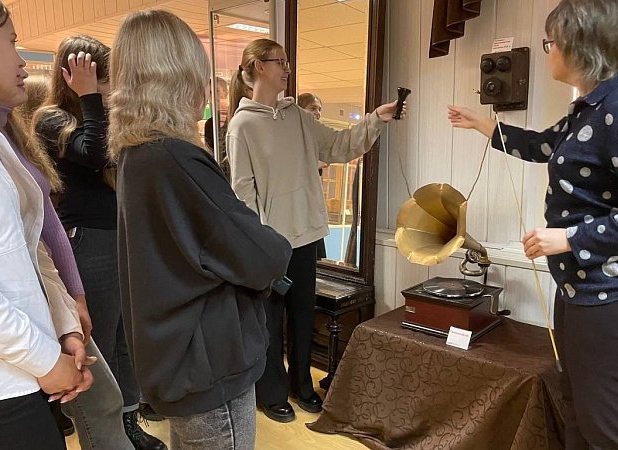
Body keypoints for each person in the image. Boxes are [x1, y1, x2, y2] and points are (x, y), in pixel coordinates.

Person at [448, 0, 618, 448]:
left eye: (552, 43)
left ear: (581, 45)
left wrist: (569, 237)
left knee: (608, 437)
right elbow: (545, 146)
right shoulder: (596, 105)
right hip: (589, 288)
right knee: (578, 418)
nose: (549, 52)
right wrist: (484, 125)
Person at [108, 10, 292, 450]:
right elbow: (265, 255)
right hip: (208, 363)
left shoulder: (136, 155)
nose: (204, 87)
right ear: (178, 75)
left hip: (177, 359)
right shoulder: (175, 157)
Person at [227, 38, 406, 423]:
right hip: (270, 244)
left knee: (303, 315)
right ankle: (271, 392)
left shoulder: (298, 117)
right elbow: (243, 191)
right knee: (270, 321)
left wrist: (377, 118)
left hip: (306, 236)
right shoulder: (242, 125)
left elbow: (341, 145)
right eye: (280, 62)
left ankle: (301, 385)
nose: (287, 69)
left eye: (286, 62)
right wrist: (261, 241)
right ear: (258, 67)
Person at [33, 35, 166, 450]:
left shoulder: (103, 115)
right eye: (102, 77)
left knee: (126, 341)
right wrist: (90, 96)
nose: (110, 86)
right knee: (99, 346)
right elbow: (96, 154)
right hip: (88, 242)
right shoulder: (51, 119)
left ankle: (127, 425)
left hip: (120, 238)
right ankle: (102, 437)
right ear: (72, 75)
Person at [0, 1, 89, 448]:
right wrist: (45, 359)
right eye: (12, 41)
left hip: (15, 372)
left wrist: (61, 327)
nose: (20, 59)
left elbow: (23, 250)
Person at [0, 92, 135, 448]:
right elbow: (97, 154)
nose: (23, 66)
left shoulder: (6, 128)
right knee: (93, 395)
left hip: (46, 284)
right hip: (11, 311)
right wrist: (89, 95)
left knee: (102, 389)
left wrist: (73, 299)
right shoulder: (41, 122)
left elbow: (43, 229)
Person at [297, 92, 328, 261]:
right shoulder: (292, 137)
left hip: (311, 206)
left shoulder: (314, 138)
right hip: (297, 209)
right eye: (313, 108)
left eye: (319, 109)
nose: (317, 113)